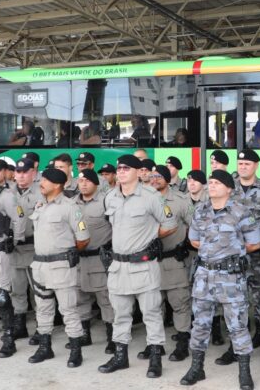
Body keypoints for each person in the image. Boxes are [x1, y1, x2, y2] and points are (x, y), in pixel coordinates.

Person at [98, 154, 178, 378]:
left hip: (143, 265)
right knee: (120, 314)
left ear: (136, 171)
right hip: (118, 266)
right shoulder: (110, 197)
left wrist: (151, 238)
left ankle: (155, 358)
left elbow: (170, 224)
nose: (121, 171)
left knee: (151, 313)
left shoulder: (150, 196)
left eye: (126, 168)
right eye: (119, 168)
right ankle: (120, 356)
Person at [180, 169, 260, 389]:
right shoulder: (201, 211)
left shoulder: (241, 211)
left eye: (217, 182)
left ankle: (244, 372)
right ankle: (197, 368)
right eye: (211, 182)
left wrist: (229, 252)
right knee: (200, 324)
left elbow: (254, 243)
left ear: (229, 188)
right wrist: (212, 251)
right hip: (204, 276)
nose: (212, 185)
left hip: (230, 278)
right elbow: (194, 240)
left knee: (237, 326)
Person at [223, 149, 260, 369]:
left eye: (248, 163)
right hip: (233, 258)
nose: (243, 167)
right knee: (235, 305)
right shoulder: (228, 189)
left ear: (256, 166)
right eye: (240, 163)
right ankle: (235, 348)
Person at [28, 167, 90, 365]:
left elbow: (83, 238)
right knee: (43, 309)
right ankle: (45, 348)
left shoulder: (70, 207)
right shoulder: (40, 205)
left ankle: (75, 350)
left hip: (61, 267)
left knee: (69, 309)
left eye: (45, 180)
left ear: (57, 185)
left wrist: (66, 253)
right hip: (40, 267)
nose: (41, 183)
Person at [147, 164, 194, 362]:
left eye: (160, 176)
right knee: (152, 306)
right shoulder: (143, 199)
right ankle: (155, 345)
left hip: (174, 259)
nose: (155, 179)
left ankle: (183, 343)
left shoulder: (181, 200)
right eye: (152, 176)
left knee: (180, 303)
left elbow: (196, 225)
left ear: (168, 179)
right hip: (149, 261)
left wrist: (187, 246)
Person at [75, 169, 114, 353]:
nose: (83, 184)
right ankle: (85, 334)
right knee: (80, 297)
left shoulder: (106, 201)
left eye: (87, 181)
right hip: (78, 260)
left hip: (100, 258)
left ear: (96, 183)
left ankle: (112, 336)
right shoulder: (72, 203)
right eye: (80, 180)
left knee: (105, 299)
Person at [9, 158, 41, 342]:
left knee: (38, 291)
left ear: (33, 173)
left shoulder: (41, 192)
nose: (21, 175)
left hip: (34, 248)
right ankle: (20, 324)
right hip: (14, 249)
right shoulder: (7, 193)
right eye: (18, 172)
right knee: (17, 289)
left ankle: (41, 327)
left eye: (25, 172)